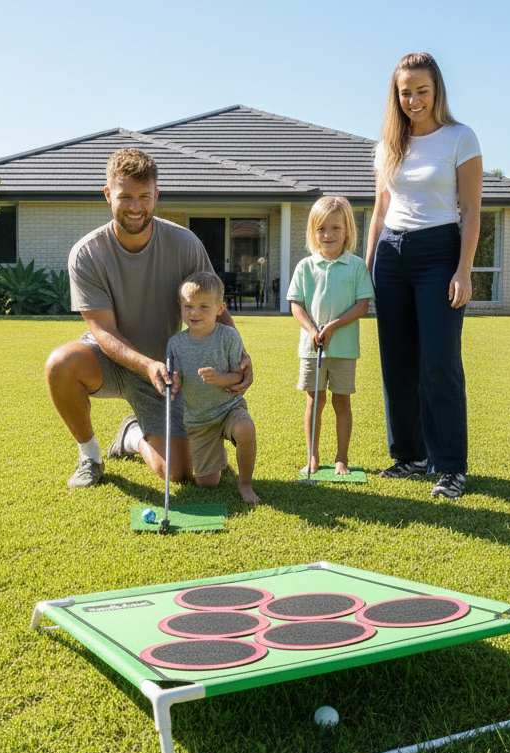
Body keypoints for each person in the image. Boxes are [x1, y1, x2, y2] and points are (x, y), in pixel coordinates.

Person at [45, 148, 252, 488]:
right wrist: (145, 365)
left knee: (183, 473)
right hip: (112, 359)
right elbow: (102, 330)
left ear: (157, 194)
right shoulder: (87, 253)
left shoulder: (185, 244)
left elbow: (215, 305)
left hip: (169, 369)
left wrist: (240, 356)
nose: (135, 206)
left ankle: (130, 435)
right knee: (60, 363)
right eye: (125, 196)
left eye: (144, 196)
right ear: (109, 194)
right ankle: (90, 456)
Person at [365, 52, 483, 500]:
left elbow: (471, 210)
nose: (413, 100)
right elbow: (379, 211)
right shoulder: (387, 146)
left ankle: (450, 466)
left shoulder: (460, 138)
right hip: (392, 255)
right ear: (395, 96)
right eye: (405, 92)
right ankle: (409, 456)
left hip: (439, 252)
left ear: (437, 91)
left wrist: (463, 270)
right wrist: (369, 264)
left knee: (439, 363)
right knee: (397, 362)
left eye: (421, 91)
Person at [287, 196, 374, 475]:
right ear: (314, 232)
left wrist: (334, 325)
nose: (328, 235)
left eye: (336, 228)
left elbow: (363, 305)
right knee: (315, 400)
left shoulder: (357, 266)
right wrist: (313, 330)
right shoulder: (305, 266)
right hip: (312, 349)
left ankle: (341, 458)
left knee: (341, 401)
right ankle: (312, 456)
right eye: (322, 229)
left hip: (345, 349)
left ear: (347, 230)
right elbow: (296, 305)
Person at [167, 272, 260, 503]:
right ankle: (218, 456)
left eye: (204, 307)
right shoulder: (175, 343)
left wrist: (221, 378)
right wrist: (175, 381)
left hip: (229, 408)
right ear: (180, 305)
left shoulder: (229, 337)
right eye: (188, 306)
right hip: (199, 418)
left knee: (245, 428)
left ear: (220, 308)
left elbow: (238, 375)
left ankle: (245, 484)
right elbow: (174, 374)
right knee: (207, 483)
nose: (194, 312)